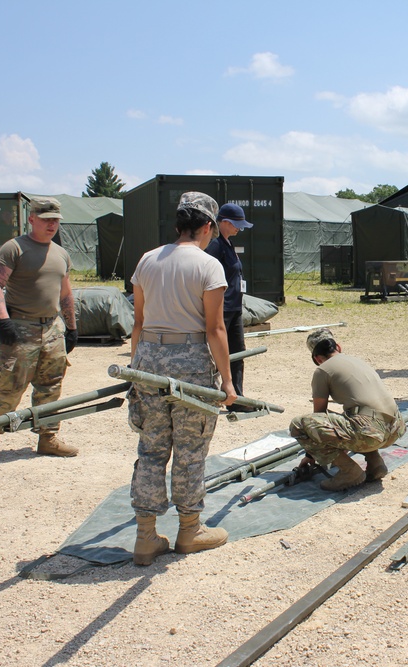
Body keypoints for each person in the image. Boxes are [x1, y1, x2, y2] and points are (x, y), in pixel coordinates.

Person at [128, 192, 237, 566]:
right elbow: (215, 328)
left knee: (152, 447)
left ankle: (145, 537)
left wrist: (135, 370)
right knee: (190, 450)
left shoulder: (147, 260)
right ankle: (189, 530)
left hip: (148, 362)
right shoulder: (208, 266)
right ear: (207, 226)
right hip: (190, 362)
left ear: (178, 224)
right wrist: (228, 382)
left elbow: (138, 323)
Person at [0, 197, 78, 463]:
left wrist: (72, 327)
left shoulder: (61, 253)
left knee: (51, 386)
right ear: (31, 219)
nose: (51, 224)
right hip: (20, 328)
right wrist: (3, 320)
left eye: (55, 220)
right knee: (8, 385)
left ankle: (48, 437)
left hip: (52, 329)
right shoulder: (14, 248)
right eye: (46, 219)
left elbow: (66, 293)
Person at [289, 328, 406, 492]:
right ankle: (375, 463)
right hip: (395, 428)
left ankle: (350, 472)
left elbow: (318, 416)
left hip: (371, 433)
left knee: (300, 425)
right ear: (338, 347)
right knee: (354, 417)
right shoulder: (357, 361)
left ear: (317, 358)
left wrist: (310, 455)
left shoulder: (322, 370)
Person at [205, 203, 253, 409]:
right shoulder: (216, 247)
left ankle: (237, 398)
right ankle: (214, 394)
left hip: (234, 309)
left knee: (238, 353)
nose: (239, 228)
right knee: (219, 354)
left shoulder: (229, 244)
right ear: (223, 222)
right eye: (235, 224)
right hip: (221, 310)